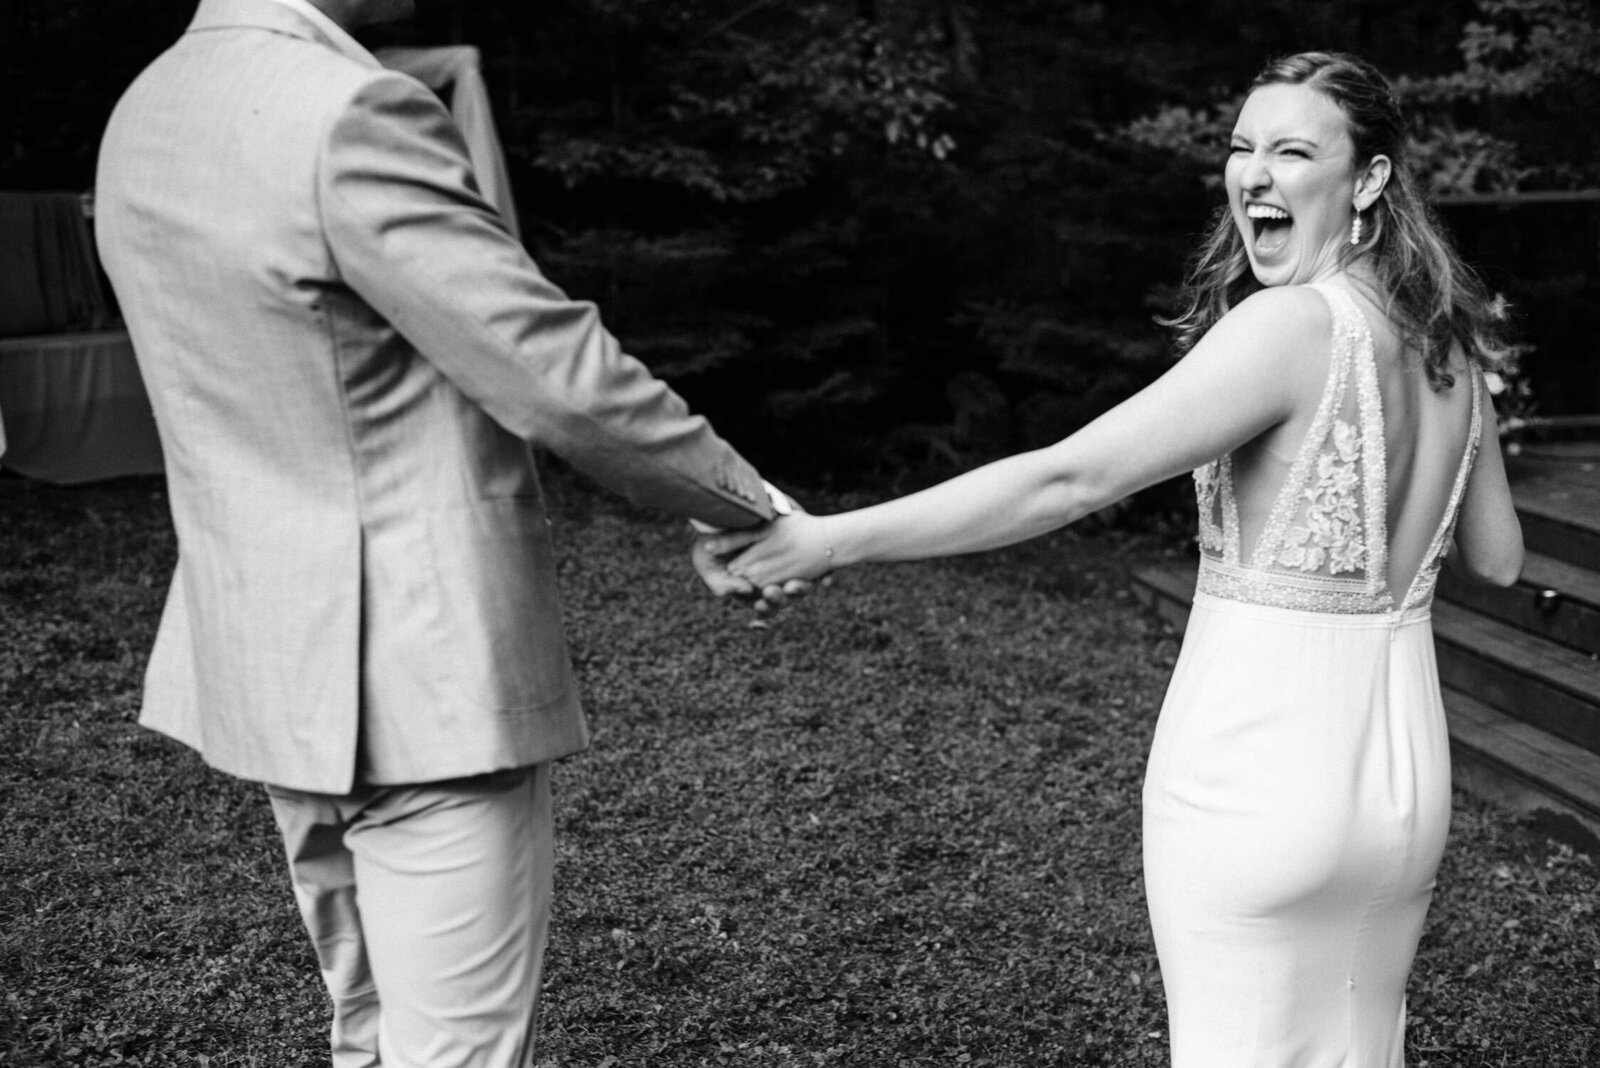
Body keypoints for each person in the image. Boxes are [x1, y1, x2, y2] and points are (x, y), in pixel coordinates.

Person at [709, 51, 1524, 1066]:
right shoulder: (1446, 343)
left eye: (1291, 151)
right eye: (1240, 147)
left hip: (1258, 767)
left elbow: (1067, 481)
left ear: (1367, 181)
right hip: (1403, 780)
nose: (1252, 175)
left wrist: (830, 540)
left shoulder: (1285, 325)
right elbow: (1496, 557)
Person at [94, 0, 799, 1064]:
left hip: (269, 652)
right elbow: (551, 368)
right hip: (420, 671)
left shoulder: (148, 106)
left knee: (369, 1030)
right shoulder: (351, 114)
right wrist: (745, 505)